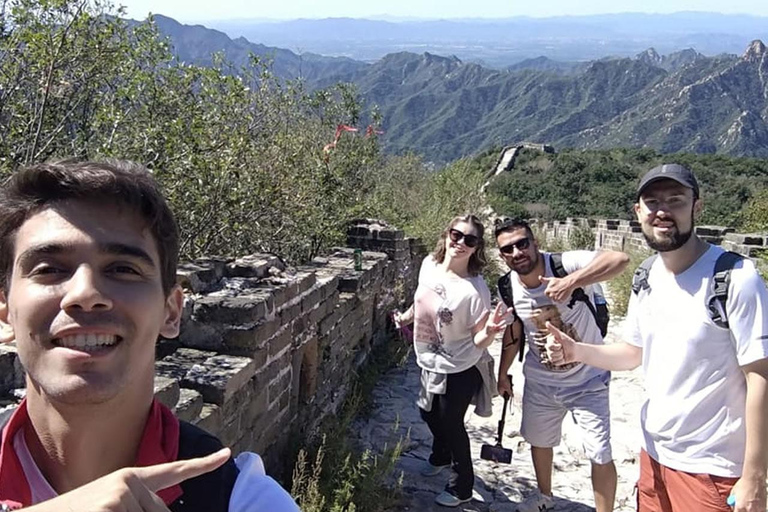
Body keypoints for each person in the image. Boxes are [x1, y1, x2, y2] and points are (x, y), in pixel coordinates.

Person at [0, 160, 300, 512]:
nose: (85, 293)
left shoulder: (242, 500)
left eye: (123, 269)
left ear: (171, 312)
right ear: (5, 312)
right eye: (49, 270)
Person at [545, 163, 768, 512]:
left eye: (675, 200)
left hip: (712, 470)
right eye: (652, 202)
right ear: (638, 212)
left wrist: (754, 476)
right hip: (653, 456)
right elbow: (634, 353)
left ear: (697, 206)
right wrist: (576, 350)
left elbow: (761, 377)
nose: (662, 211)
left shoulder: (736, 278)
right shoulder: (646, 274)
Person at [494, 218, 629, 512]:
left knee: (599, 452)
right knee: (540, 441)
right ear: (501, 255)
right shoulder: (508, 286)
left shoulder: (564, 264)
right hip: (541, 382)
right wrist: (502, 373)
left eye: (522, 243)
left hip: (588, 379)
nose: (517, 252)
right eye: (508, 249)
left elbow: (619, 259)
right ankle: (544, 496)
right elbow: (515, 332)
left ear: (535, 243)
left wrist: (571, 281)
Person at [394, 214, 509, 508]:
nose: (460, 243)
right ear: (447, 234)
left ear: (476, 248)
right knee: (428, 414)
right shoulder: (429, 266)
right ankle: (441, 455)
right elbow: (423, 301)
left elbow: (477, 340)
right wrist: (405, 318)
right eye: (456, 235)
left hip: (460, 366)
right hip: (429, 359)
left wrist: (491, 332)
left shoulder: (475, 289)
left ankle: (462, 487)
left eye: (469, 240)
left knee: (451, 423)